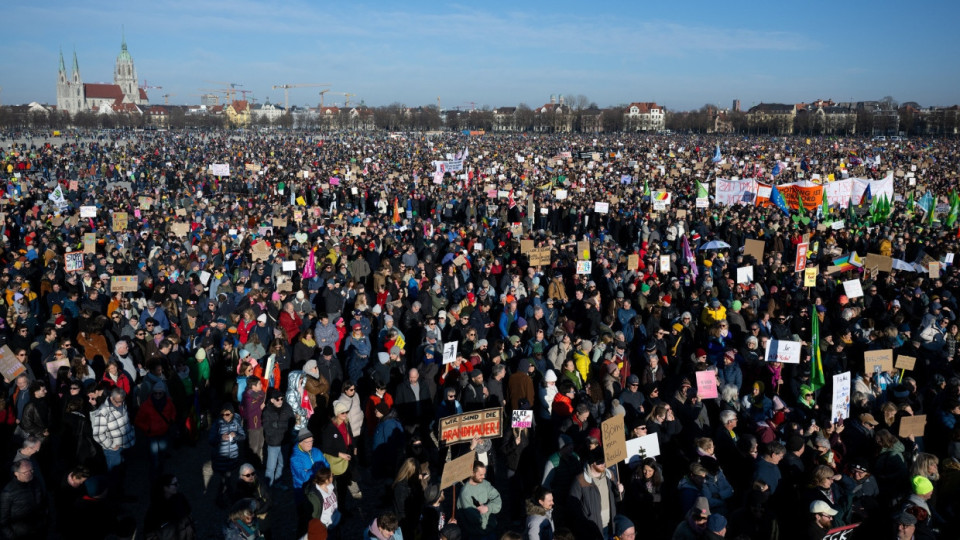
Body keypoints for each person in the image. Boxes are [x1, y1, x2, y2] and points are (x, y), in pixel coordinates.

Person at [568, 449, 622, 540]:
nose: (603, 464)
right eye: (600, 462)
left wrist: (619, 491)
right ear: (592, 463)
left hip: (611, 525)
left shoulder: (610, 475)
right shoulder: (581, 480)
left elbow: (618, 498)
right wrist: (585, 524)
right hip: (593, 529)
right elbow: (573, 507)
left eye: (604, 461)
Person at [208, 403, 247, 505]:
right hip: (220, 458)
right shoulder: (217, 424)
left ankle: (227, 496)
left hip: (232, 457)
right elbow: (211, 440)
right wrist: (221, 438)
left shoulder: (236, 423)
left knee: (227, 479)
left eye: (227, 414)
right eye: (223, 415)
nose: (225, 417)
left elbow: (243, 436)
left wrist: (236, 436)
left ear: (232, 414)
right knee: (225, 479)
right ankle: (224, 498)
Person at [0, 460, 48, 539]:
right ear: (16, 474)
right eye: (26, 472)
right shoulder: (8, 492)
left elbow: (43, 503)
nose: (30, 473)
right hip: (21, 535)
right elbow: (3, 522)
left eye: (31, 470)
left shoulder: (36, 482)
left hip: (39, 531)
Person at [456, 461, 502, 540]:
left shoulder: (485, 484)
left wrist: (487, 508)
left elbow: (497, 499)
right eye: (481, 475)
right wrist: (489, 512)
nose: (484, 477)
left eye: (484, 474)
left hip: (491, 530)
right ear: (472, 473)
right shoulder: (465, 493)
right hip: (477, 535)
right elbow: (475, 519)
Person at [144, 474, 196, 540]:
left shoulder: (180, 498)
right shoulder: (155, 510)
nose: (178, 486)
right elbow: (149, 534)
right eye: (175, 484)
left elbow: (188, 514)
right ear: (165, 488)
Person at [262, 387, 294, 488]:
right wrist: (283, 426)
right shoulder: (267, 411)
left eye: (281, 399)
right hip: (274, 443)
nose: (280, 401)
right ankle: (269, 486)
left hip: (285, 441)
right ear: (272, 400)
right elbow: (268, 429)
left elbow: (291, 422)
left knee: (282, 464)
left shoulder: (287, 408)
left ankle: (278, 482)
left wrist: (278, 425)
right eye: (277, 399)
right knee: (271, 467)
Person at [290, 430, 330, 501]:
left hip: (320, 487)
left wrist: (310, 471)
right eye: (307, 442)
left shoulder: (317, 451)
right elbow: (304, 477)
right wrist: (318, 470)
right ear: (300, 443)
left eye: (311, 441)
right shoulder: (295, 458)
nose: (310, 444)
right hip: (304, 491)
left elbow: (327, 466)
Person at [305, 466, 341, 532]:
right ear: (326, 480)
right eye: (331, 476)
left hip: (336, 520)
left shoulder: (332, 486)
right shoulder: (314, 496)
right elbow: (314, 514)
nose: (333, 476)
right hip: (325, 526)